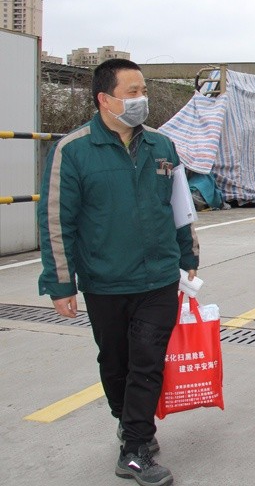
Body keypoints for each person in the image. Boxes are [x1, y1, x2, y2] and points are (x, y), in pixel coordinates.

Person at [38, 58, 200, 486]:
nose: (141, 99)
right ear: (104, 99)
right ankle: (129, 423)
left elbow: (180, 208)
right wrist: (60, 282)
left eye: (143, 91)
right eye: (132, 92)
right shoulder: (72, 151)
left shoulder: (162, 146)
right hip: (105, 281)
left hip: (158, 277)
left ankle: (135, 449)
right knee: (115, 362)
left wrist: (189, 255)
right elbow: (56, 221)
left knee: (148, 360)